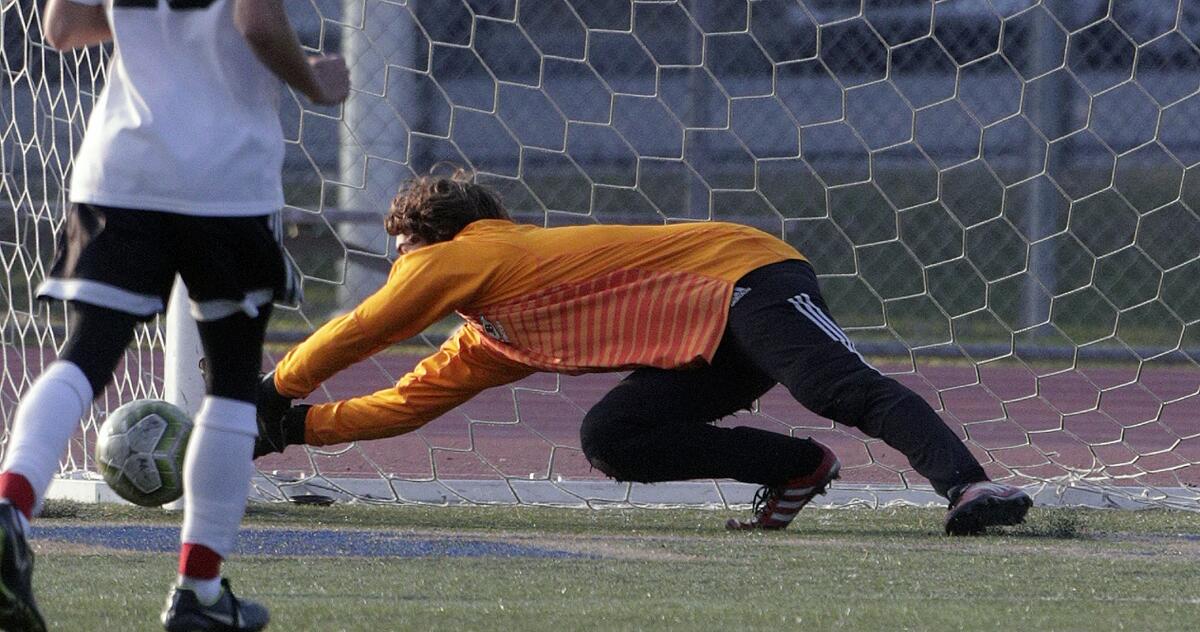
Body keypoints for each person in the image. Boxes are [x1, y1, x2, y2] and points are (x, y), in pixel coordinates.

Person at [256, 169, 1033, 536]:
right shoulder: (493, 328)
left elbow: (365, 327)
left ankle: (968, 488)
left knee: (838, 389)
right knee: (612, 437)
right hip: (703, 336)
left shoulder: (468, 252)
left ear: (430, 243)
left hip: (742, 276)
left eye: (404, 250)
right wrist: (293, 430)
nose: (402, 266)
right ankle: (795, 467)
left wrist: (276, 386)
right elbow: (408, 402)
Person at [0, 1, 348, 630]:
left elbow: (61, 27)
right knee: (234, 383)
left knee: (86, 353)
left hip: (121, 170)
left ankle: (10, 510)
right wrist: (317, 81)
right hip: (224, 177)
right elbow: (258, 25)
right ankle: (199, 589)